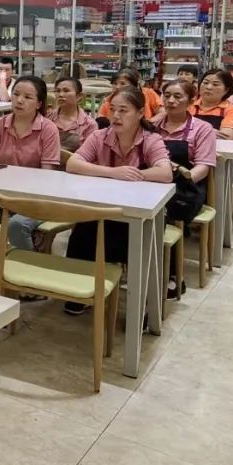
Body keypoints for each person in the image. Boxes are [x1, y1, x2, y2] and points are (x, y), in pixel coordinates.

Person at [65, 87, 172, 314]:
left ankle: (141, 306)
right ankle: (79, 291)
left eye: (124, 111)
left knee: (136, 243)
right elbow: (73, 164)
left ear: (141, 113)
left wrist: (137, 174)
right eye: (113, 110)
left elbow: (165, 173)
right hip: (103, 208)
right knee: (82, 231)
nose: (116, 116)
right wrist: (113, 172)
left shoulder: (151, 140)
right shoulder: (100, 136)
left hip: (138, 213)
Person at [0, 76, 60, 250]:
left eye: (28, 97)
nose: (19, 100)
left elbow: (47, 175)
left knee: (16, 226)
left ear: (39, 103)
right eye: (16, 94)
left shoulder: (48, 129)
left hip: (35, 200)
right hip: (3, 197)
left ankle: (25, 268)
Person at [155, 79, 217, 299]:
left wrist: (184, 173)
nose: (170, 101)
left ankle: (171, 276)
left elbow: (204, 167)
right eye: (167, 95)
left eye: (177, 96)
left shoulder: (202, 129)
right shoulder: (153, 125)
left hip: (186, 189)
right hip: (153, 183)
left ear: (192, 101)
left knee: (161, 213)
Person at [190, 68, 233, 139]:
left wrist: (190, 130)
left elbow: (225, 137)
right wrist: (209, 131)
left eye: (215, 84)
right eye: (205, 83)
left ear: (226, 90)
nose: (208, 87)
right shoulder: (187, 106)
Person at [48, 76, 97, 152]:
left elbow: (90, 153)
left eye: (66, 91)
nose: (61, 94)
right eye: (57, 91)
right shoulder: (47, 118)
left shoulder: (89, 124)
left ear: (79, 96)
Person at [97, 67, 161, 124]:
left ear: (134, 86)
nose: (117, 87)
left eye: (123, 83)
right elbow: (101, 119)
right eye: (115, 83)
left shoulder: (148, 93)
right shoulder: (109, 100)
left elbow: (162, 112)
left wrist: (149, 124)